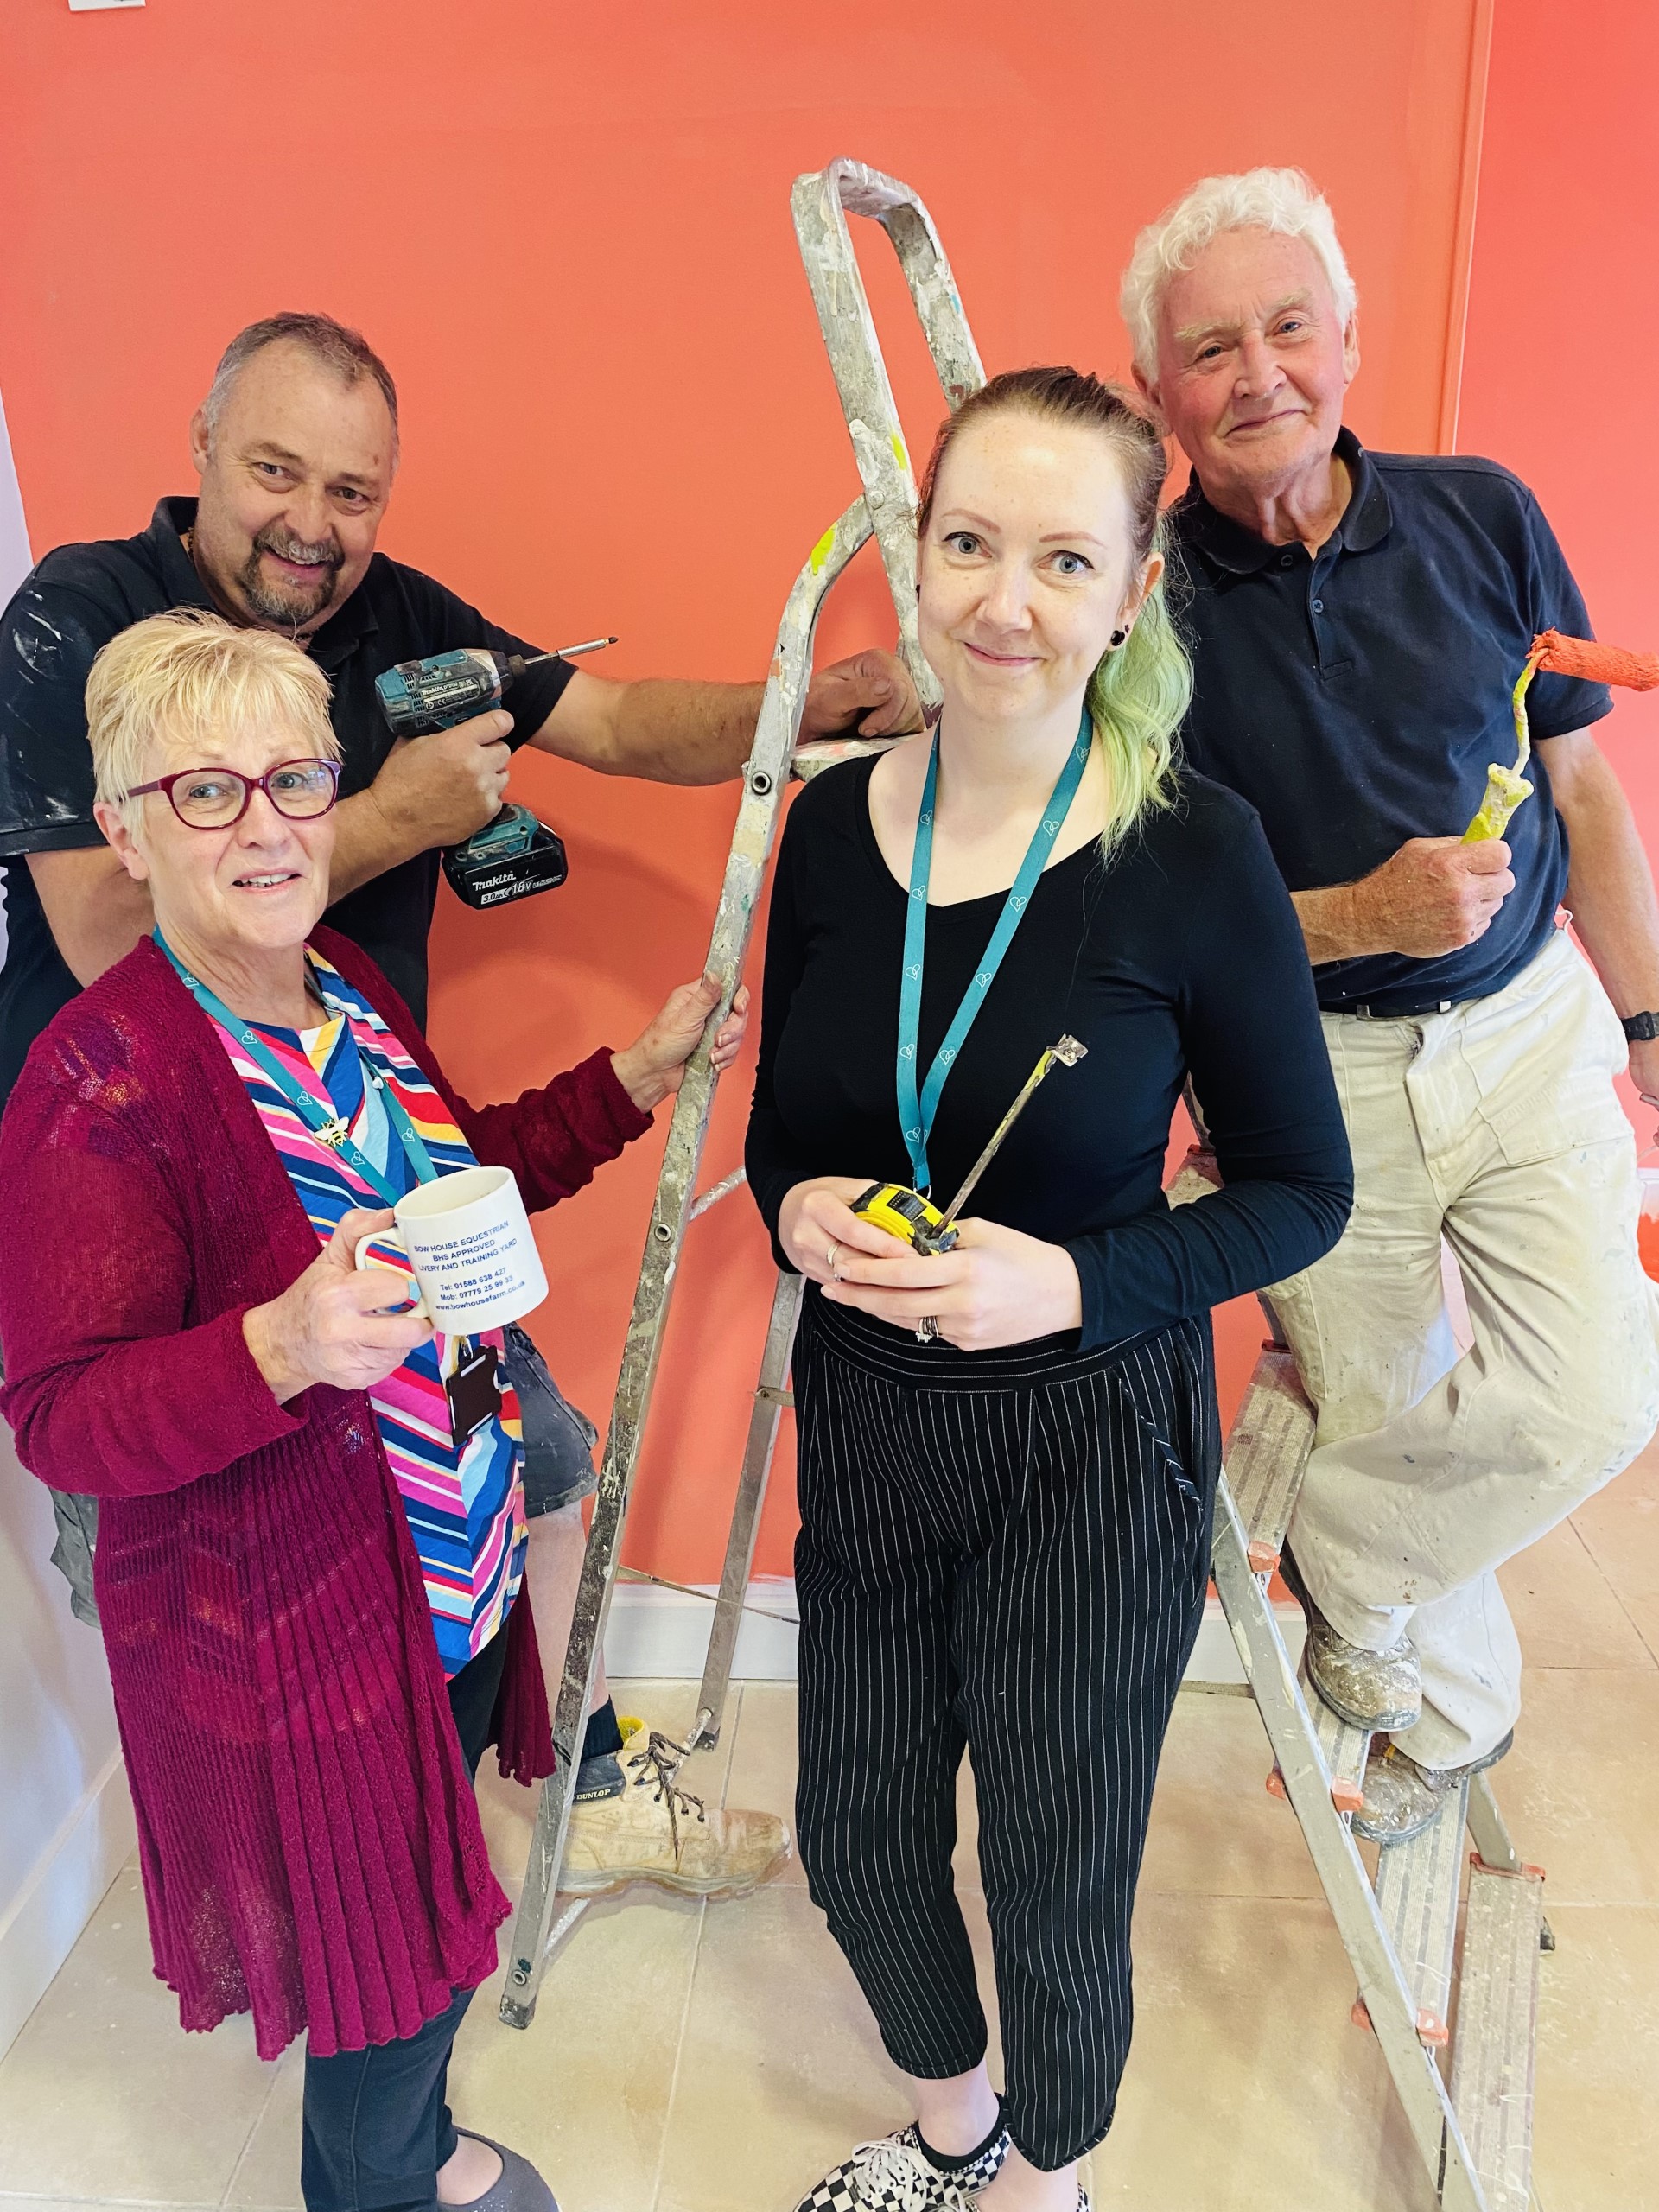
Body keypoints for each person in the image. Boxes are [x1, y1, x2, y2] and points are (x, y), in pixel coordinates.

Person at [0, 309, 915, 1893]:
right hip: (179, 1206)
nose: (313, 521)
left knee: (530, 1467)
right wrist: (392, 812)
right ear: (204, 450)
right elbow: (105, 939)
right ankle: (323, 1921)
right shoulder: (82, 621)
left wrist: (807, 705)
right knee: (223, 1583)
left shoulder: (402, 626)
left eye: (354, 490)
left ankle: (558, 1802)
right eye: (277, 469)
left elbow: (624, 724)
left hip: (378, 1170)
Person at [0, 609, 750, 2212]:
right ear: (124, 830)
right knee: (393, 1976)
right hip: (299, 1631)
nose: (265, 824)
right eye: (205, 792)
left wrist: (629, 1077)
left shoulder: (337, 985)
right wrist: (276, 1344)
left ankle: (406, 2151)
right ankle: (387, 2188)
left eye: (294, 778)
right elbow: (60, 1418)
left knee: (434, 1908)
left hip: (452, 1571)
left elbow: (458, 1183)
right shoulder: (103, 1076)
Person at [747, 368, 1352, 2212]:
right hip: (870, 1413)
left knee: (1057, 1871)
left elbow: (1298, 1191)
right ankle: (952, 2127)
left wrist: (1074, 1285)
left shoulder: (1195, 852)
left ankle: (1046, 2183)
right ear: (917, 554)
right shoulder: (836, 832)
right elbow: (787, 1133)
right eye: (970, 543)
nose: (1005, 600)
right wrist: (802, 1209)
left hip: (1093, 1436)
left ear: (1132, 586)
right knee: (852, 1836)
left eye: (1063, 556)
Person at [1120, 167, 1659, 1840]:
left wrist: (1649, 1032)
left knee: (1594, 1396)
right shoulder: (1141, 620)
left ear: (1349, 334)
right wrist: (1365, 909)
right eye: (1212, 348)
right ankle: (1448, 1726)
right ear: (1160, 391)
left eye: (1291, 325)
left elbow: (1586, 795)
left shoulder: (1487, 514)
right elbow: (1148, 921)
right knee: (1383, 1405)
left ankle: (1339, 1562)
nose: (1259, 372)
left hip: (1526, 1026)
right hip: (1311, 1069)